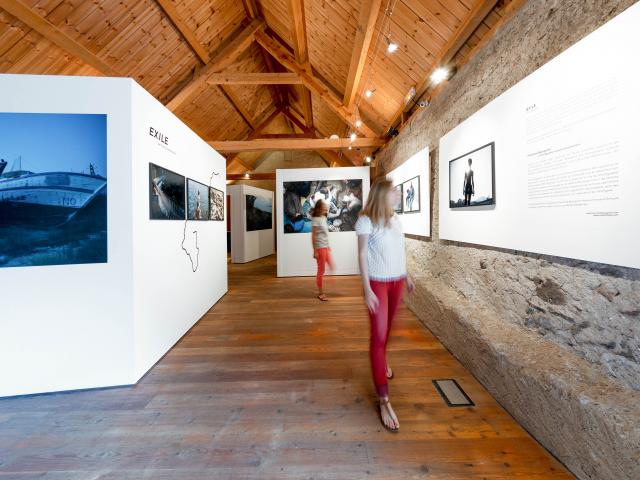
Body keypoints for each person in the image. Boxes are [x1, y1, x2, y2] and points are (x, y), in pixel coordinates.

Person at [356, 180, 415, 432]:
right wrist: (367, 289)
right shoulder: (366, 220)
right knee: (378, 337)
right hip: (378, 283)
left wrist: (407, 274)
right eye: (394, 191)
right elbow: (361, 256)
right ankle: (384, 399)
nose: (399, 193)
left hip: (397, 281)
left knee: (388, 331)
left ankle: (383, 362)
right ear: (382, 194)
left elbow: (399, 249)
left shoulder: (396, 219)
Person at [311, 199, 335, 301]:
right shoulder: (316, 219)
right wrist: (315, 251)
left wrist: (328, 245)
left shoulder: (323, 217)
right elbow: (313, 235)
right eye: (324, 206)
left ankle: (327, 283)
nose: (326, 207)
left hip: (325, 247)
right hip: (320, 248)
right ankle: (320, 293)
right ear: (320, 208)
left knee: (331, 266)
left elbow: (325, 234)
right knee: (321, 270)